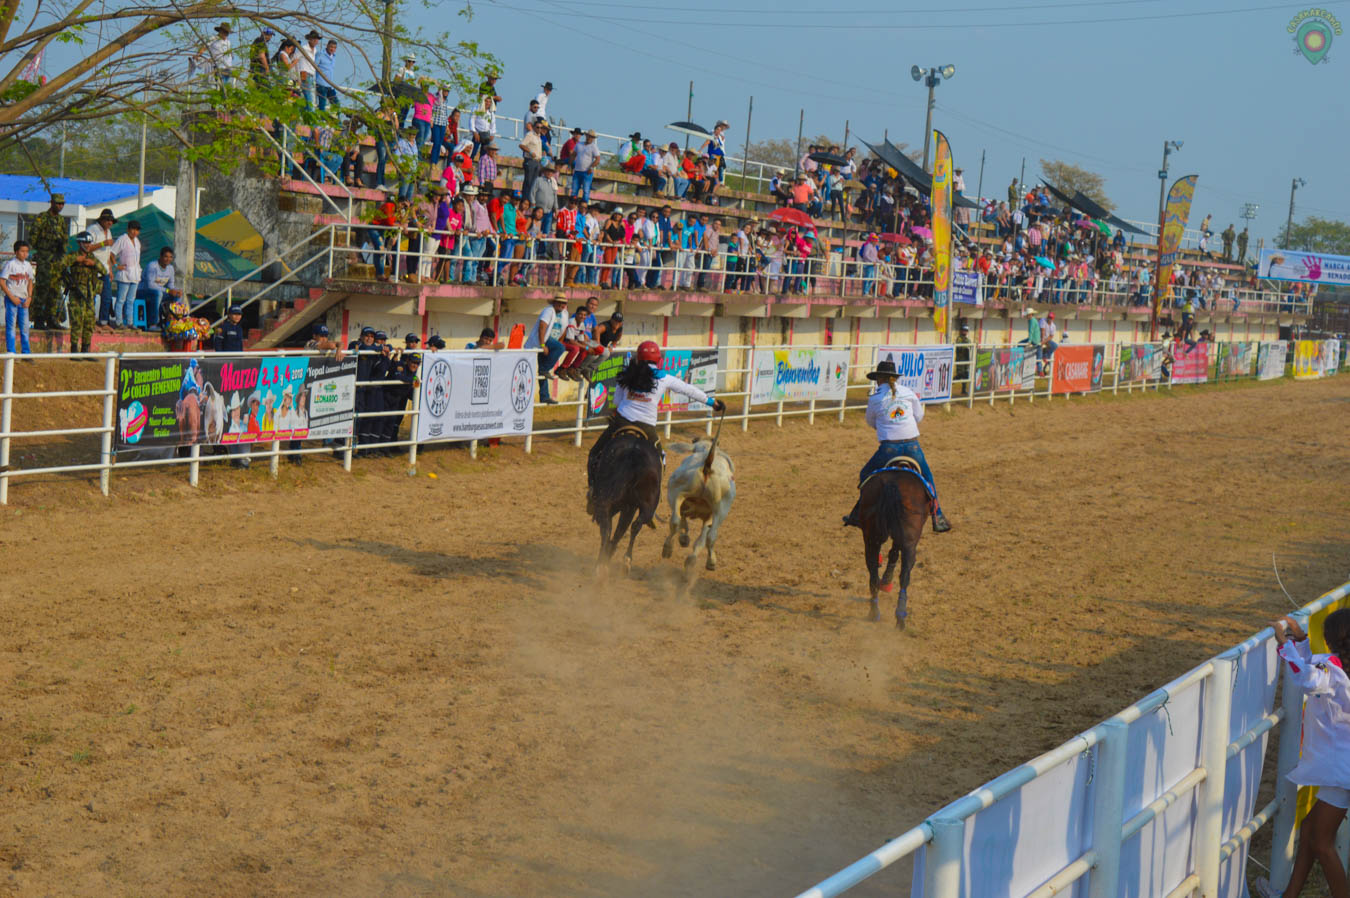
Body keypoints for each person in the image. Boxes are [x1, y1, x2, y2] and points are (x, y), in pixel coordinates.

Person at [1261, 612, 1350, 898]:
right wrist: (1299, 641)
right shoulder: (1339, 667)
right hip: (1341, 768)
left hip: (1341, 771)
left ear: (1330, 639)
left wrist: (1283, 644)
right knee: (1312, 828)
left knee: (1322, 843)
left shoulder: (1332, 668)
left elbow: (1308, 679)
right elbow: (1317, 670)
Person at [585, 340, 725, 510]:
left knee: (594, 453)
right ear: (657, 359)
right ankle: (652, 497)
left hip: (622, 420)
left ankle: (593, 492)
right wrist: (712, 403)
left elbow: (617, 401)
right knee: (660, 459)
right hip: (647, 426)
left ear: (639, 357)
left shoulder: (627, 374)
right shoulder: (664, 378)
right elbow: (688, 390)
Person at [842, 359, 951, 532]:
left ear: (879, 379)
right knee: (928, 478)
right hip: (912, 446)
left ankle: (858, 512)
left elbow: (871, 421)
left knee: (865, 474)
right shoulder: (908, 392)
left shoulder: (875, 398)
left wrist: (888, 425)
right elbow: (919, 416)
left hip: (888, 448)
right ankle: (937, 515)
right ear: (895, 377)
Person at [56, 232, 107, 355]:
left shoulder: (92, 258)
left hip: (89, 295)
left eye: (89, 242)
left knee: (89, 322)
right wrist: (75, 259)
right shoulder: (73, 255)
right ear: (79, 243)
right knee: (77, 322)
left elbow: (104, 270)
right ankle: (74, 350)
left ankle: (85, 350)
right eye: (85, 242)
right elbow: (60, 264)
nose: (88, 245)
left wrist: (93, 264)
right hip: (77, 293)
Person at [29, 193, 68, 330]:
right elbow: (33, 237)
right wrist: (39, 252)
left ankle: (51, 318)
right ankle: (39, 319)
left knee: (55, 290)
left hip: (56, 260)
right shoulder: (42, 218)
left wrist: (62, 251)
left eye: (62, 204)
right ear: (51, 203)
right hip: (45, 259)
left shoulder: (61, 220)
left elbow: (65, 239)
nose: (60, 206)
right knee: (42, 289)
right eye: (58, 203)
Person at [525, 293, 569, 403]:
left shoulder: (565, 313)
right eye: (559, 302)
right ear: (554, 302)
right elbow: (542, 328)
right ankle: (545, 370)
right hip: (543, 341)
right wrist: (543, 345)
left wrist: (559, 342)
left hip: (552, 342)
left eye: (563, 303)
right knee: (560, 348)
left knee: (542, 370)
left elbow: (564, 330)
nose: (561, 305)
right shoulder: (549, 311)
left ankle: (544, 396)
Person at [2, 240, 34, 355]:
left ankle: (26, 353)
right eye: (22, 251)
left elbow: (30, 281)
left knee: (25, 327)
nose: (25, 254)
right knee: (11, 327)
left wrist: (29, 297)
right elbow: (2, 281)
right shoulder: (10, 264)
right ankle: (11, 353)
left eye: (26, 251)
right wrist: (11, 297)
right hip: (12, 300)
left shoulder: (28, 265)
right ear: (16, 252)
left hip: (24, 299)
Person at [109, 220, 143, 328]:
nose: (134, 232)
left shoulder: (137, 242)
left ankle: (130, 322)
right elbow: (111, 253)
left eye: (137, 230)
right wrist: (116, 266)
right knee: (121, 299)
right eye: (132, 229)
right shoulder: (122, 239)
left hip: (135, 274)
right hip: (124, 273)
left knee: (131, 300)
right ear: (128, 229)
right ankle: (119, 322)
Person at [140, 247, 181, 331]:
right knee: (158, 294)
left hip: (159, 293)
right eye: (166, 256)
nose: (168, 259)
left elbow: (170, 285)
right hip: (142, 291)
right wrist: (168, 290)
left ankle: (170, 322)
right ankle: (153, 324)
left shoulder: (170, 268)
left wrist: (176, 290)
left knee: (176, 296)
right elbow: (150, 285)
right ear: (160, 256)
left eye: (170, 257)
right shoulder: (152, 266)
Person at [89, 209, 117, 326]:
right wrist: (102, 243)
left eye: (111, 221)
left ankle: (103, 321)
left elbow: (108, 253)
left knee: (107, 296)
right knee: (92, 296)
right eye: (107, 220)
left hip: (104, 269)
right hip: (93, 268)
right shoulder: (92, 230)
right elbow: (87, 248)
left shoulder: (108, 232)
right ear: (101, 220)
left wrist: (110, 269)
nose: (110, 223)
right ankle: (90, 321)